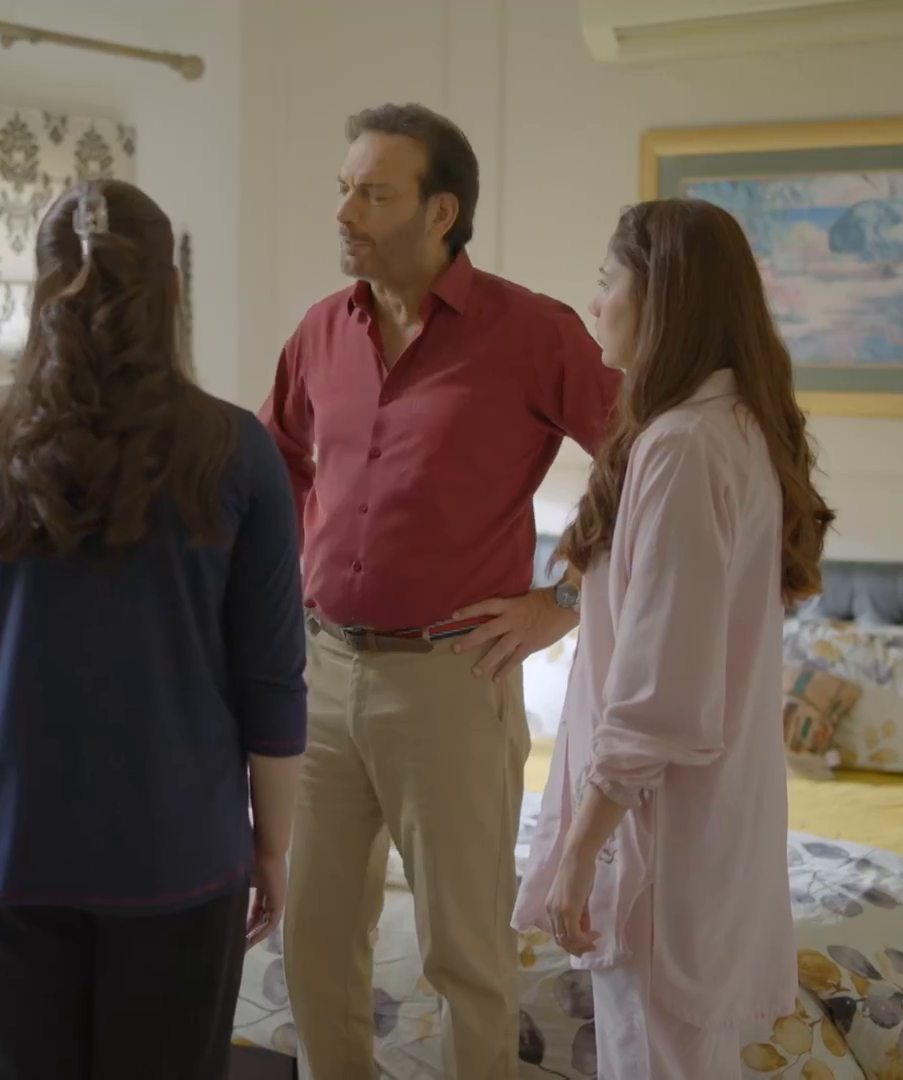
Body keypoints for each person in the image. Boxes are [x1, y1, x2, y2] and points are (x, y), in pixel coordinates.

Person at [0, 179, 307, 1080]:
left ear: (40, 292)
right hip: (182, 857)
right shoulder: (235, 452)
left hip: (5, 850)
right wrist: (272, 846)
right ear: (173, 292)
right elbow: (273, 681)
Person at [259, 103, 619, 1079]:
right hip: (321, 678)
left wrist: (562, 601)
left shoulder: (531, 331)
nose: (345, 212)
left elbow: (644, 465)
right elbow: (276, 463)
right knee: (314, 946)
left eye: (373, 194)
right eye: (344, 190)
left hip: (452, 681)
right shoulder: (320, 332)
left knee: (465, 955)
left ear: (441, 211)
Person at [514, 198, 837, 1078]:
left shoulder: (685, 446)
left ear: (661, 298)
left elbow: (659, 687)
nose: (594, 303)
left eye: (606, 281)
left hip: (661, 831)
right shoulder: (726, 429)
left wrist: (583, 846)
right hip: (694, 823)